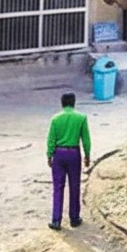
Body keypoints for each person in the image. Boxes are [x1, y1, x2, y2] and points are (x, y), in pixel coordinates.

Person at [46, 92, 91, 231]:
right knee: (74, 186)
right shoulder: (81, 118)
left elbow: (51, 140)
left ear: (62, 103)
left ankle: (56, 220)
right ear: (74, 102)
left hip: (58, 154)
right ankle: (74, 218)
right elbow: (86, 139)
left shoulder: (55, 119)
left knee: (58, 188)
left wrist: (49, 155)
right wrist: (87, 155)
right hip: (74, 154)